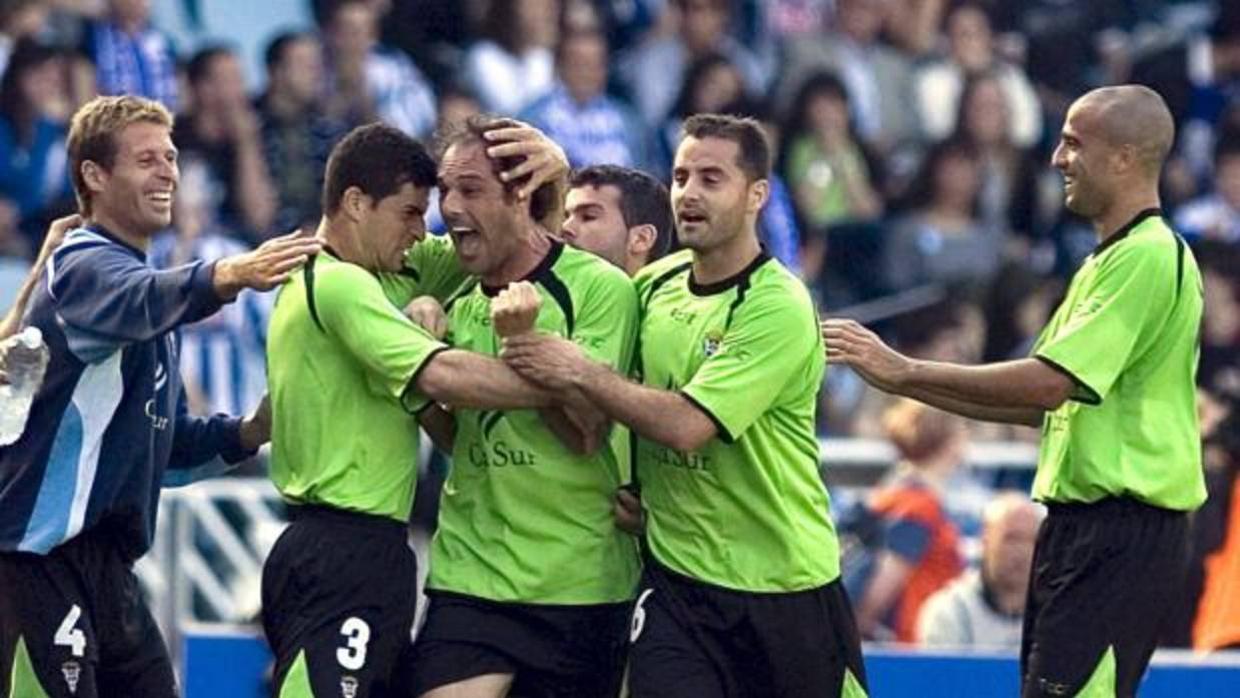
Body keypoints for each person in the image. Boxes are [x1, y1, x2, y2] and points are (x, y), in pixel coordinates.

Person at [823, 85, 1205, 697]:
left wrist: (905, 371)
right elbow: (1034, 402)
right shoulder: (1107, 261)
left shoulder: (1148, 256)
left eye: (1075, 143)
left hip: (1119, 532)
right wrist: (905, 380)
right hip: (1088, 530)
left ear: (1125, 157)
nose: (1057, 158)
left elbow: (1048, 383)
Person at [502, 114, 868, 698]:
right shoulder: (655, 285)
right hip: (679, 588)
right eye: (680, 176)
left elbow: (685, 426)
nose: (689, 193)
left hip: (785, 586)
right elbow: (566, 296)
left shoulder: (777, 305)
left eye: (711, 178)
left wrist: (576, 369)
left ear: (756, 196)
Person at [0, 94, 321, 698]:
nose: (167, 171)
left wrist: (251, 429)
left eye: (171, 158)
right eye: (146, 159)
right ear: (94, 176)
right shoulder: (81, 265)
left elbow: (162, 446)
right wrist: (230, 274)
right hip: (32, 561)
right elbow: (141, 297)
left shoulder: (143, 296)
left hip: (106, 570)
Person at [261, 120, 579, 698]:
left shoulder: (399, 270)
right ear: (356, 204)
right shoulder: (336, 284)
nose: (422, 230)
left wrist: (551, 173)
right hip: (339, 545)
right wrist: (576, 382)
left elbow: (519, 243)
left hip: (375, 549)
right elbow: (444, 373)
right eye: (410, 213)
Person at [404, 116, 640, 698]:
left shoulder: (597, 288)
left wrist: (520, 345)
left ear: (521, 197)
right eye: (445, 190)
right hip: (471, 575)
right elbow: (462, 440)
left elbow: (586, 433)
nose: (451, 208)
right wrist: (422, 374)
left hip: (580, 584)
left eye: (472, 190)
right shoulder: (455, 286)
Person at [917, 493, 1043, 650]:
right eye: (1011, 538)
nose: (1022, 551)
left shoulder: (1057, 611)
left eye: (1032, 540)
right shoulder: (950, 612)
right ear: (985, 540)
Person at [561, 164, 672, 277]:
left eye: (588, 216)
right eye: (565, 217)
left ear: (641, 239)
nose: (565, 227)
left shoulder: (675, 294)